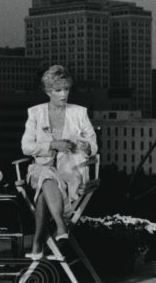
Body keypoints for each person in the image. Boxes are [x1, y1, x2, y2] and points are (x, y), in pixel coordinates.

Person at [21, 65, 98, 259]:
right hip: (41, 168)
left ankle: (38, 242)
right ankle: (61, 226)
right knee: (46, 175)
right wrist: (53, 144)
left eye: (66, 89)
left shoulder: (79, 113)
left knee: (44, 188)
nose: (64, 95)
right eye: (58, 90)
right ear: (48, 91)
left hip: (69, 171)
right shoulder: (35, 113)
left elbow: (93, 144)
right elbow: (26, 147)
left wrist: (88, 147)